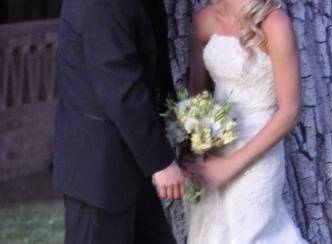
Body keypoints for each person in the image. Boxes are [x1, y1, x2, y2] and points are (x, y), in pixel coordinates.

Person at [52, 0, 184, 243]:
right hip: (99, 174)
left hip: (131, 166)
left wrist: (180, 134)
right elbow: (119, 86)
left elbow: (154, 69)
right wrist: (159, 161)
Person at [185, 0, 308, 243]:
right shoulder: (204, 20)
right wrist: (197, 142)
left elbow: (289, 111)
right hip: (216, 147)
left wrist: (230, 165)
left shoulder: (274, 23)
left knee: (250, 234)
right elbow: (197, 92)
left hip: (259, 152)